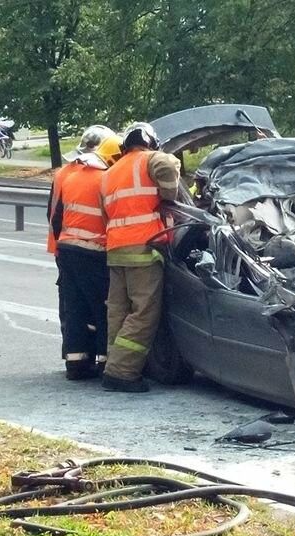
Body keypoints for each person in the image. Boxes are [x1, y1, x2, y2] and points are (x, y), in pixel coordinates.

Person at [99, 122, 180, 393]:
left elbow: (106, 213)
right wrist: (168, 194)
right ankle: (121, 372)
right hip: (143, 247)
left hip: (116, 249)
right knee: (144, 312)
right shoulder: (151, 158)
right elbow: (168, 165)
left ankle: (113, 363)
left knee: (118, 311)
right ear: (151, 143)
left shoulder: (110, 173)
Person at [49, 134, 122, 380]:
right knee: (103, 308)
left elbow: (56, 218)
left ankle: (76, 364)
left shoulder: (72, 176)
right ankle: (104, 361)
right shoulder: (107, 180)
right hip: (95, 251)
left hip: (67, 249)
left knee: (75, 307)